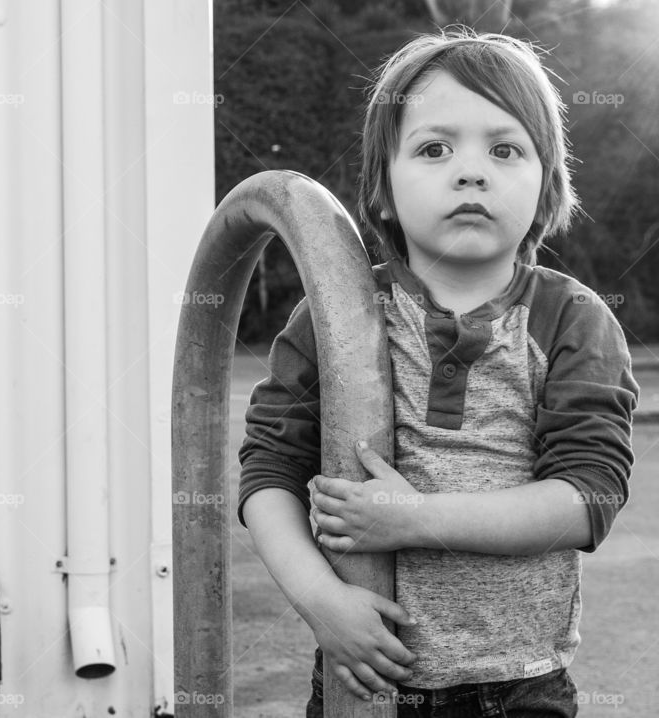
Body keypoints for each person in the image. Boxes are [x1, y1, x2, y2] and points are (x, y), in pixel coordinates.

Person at [237, 27, 640, 718]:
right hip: (361, 675)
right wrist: (321, 602)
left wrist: (413, 518)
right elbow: (268, 472)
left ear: (547, 186)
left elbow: (588, 498)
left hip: (521, 688)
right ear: (384, 191)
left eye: (505, 149)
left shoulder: (572, 320)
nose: (471, 170)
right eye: (434, 149)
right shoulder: (334, 311)